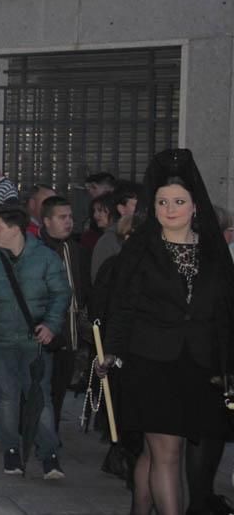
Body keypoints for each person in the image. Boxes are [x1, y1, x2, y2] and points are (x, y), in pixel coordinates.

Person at [99, 149, 234, 515]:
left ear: (195, 206)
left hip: (200, 366)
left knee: (158, 453)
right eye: (162, 202)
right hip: (150, 361)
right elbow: (122, 306)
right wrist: (110, 351)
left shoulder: (213, 252)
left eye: (178, 201)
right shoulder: (139, 250)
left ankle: (140, 508)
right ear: (152, 206)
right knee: (167, 451)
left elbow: (225, 310)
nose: (170, 208)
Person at [0, 204, 71, 479]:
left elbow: (61, 294)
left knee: (41, 398)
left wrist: (50, 324)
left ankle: (49, 454)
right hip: (0, 340)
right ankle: (11, 450)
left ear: (15, 229)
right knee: (7, 398)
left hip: (34, 341)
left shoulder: (46, 259)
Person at [38, 195, 91, 433]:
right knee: (41, 388)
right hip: (46, 332)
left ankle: (52, 431)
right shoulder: (37, 250)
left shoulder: (76, 249)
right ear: (47, 221)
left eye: (70, 217)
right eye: (62, 217)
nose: (68, 222)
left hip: (70, 334)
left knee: (59, 388)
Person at [91, 180, 141, 283]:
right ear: (122, 209)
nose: (143, 209)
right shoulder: (109, 241)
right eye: (137, 205)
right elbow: (99, 283)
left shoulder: (150, 235)